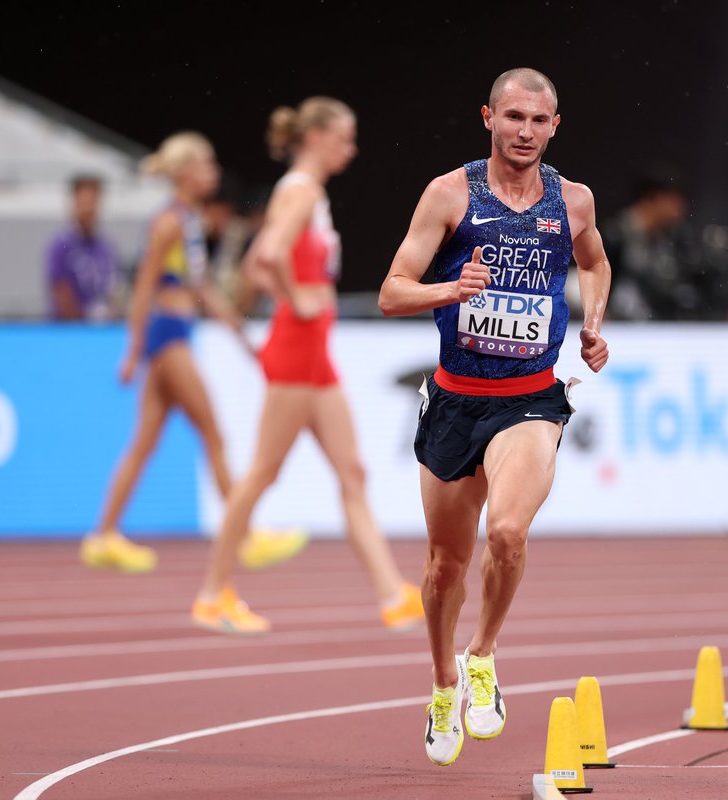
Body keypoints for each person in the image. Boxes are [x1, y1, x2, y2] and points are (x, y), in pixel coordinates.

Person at [378, 68, 611, 766]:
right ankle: (444, 679)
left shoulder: (572, 200)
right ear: (488, 116)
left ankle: (482, 656)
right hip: (454, 399)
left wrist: (593, 322)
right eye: (514, 117)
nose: (525, 132)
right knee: (445, 566)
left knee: (507, 533)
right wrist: (454, 287)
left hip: (532, 397)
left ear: (555, 126)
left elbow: (594, 264)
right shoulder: (450, 194)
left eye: (539, 121)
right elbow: (391, 292)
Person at [194, 98, 425, 635]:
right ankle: (212, 594)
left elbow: (257, 260)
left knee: (352, 472)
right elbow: (268, 253)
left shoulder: (303, 192)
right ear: (316, 137)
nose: (353, 148)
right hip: (298, 349)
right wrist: (297, 297)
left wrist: (294, 293)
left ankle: (392, 596)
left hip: (314, 352)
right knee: (261, 474)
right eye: (345, 138)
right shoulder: (301, 189)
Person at [82, 132, 307, 588]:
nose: (213, 173)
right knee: (213, 433)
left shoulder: (188, 220)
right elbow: (142, 287)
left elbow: (202, 288)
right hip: (167, 336)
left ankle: (103, 535)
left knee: (144, 443)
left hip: (176, 330)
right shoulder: (168, 221)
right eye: (205, 165)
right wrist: (133, 351)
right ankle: (246, 535)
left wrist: (239, 333)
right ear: (184, 172)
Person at [602, 177, 709, 320]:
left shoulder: (676, 238)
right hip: (619, 324)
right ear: (652, 199)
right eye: (673, 200)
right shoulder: (615, 236)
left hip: (658, 324)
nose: (681, 208)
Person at [46, 175, 121, 321]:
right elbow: (62, 295)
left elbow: (115, 291)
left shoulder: (107, 248)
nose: (87, 209)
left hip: (103, 330)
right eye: (83, 203)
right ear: (73, 204)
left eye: (92, 203)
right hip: (72, 332)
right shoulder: (61, 246)